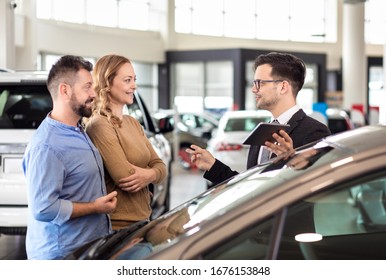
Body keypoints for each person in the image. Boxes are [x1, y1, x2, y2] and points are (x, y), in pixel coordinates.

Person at [22, 55, 118, 260]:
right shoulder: (48, 145)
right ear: (65, 90)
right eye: (87, 87)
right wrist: (95, 207)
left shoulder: (77, 129)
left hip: (86, 248)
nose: (94, 94)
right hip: (61, 256)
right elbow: (44, 208)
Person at [187, 52, 331, 186]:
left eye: (260, 83)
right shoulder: (263, 131)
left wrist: (291, 163)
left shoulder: (314, 131)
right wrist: (213, 166)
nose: (254, 89)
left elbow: (318, 185)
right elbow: (251, 187)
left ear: (283, 87)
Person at [85, 54, 167, 230]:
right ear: (107, 83)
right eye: (127, 80)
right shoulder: (99, 124)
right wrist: (153, 173)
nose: (134, 86)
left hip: (143, 220)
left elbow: (161, 166)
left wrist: (149, 175)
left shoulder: (133, 123)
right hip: (117, 227)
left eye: (134, 80)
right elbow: (126, 178)